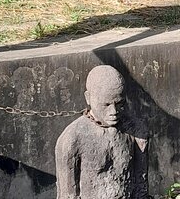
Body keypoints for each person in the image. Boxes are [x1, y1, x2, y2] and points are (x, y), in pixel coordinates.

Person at [55, 65, 149, 199]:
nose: (114, 112)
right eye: (106, 105)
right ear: (88, 98)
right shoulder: (71, 140)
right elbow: (67, 195)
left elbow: (141, 186)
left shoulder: (136, 131)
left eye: (119, 103)